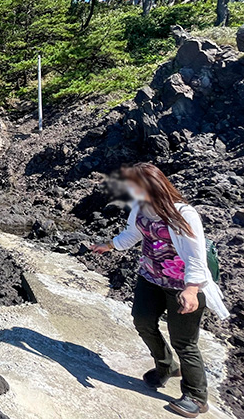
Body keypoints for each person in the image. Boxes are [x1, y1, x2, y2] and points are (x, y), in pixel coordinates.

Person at [91, 162, 229, 418]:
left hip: (183, 285)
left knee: (184, 341)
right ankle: (166, 366)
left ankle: (197, 397)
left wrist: (190, 290)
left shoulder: (183, 214)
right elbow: (132, 234)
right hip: (151, 278)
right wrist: (109, 245)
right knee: (142, 321)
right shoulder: (139, 208)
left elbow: (197, 257)